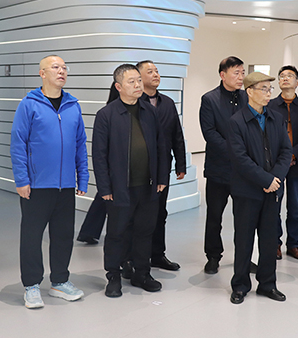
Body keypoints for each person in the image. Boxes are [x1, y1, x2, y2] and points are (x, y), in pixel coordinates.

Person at [10, 55, 89, 309]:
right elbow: (18, 143)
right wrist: (22, 179)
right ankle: (32, 285)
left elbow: (80, 144)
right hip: (36, 185)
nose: (61, 71)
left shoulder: (73, 105)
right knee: (32, 237)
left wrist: (82, 176)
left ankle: (60, 281)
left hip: (65, 185)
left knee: (63, 235)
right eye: (55, 67)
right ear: (42, 73)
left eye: (64, 67)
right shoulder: (29, 104)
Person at [92, 64, 169, 297]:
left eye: (138, 81)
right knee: (117, 233)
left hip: (148, 186)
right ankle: (113, 276)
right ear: (118, 86)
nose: (137, 85)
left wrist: (162, 177)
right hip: (119, 187)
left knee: (145, 231)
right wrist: (104, 187)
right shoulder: (106, 115)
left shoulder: (149, 111)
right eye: (131, 82)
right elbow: (99, 155)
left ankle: (141, 273)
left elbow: (161, 146)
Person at [227, 72, 293, 304]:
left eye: (269, 89)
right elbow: (240, 158)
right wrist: (265, 180)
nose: (268, 93)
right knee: (244, 241)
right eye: (263, 89)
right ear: (250, 91)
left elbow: (286, 151)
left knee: (269, 240)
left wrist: (275, 179)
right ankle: (240, 285)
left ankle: (267, 284)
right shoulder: (236, 122)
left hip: (273, 191)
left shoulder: (276, 118)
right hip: (247, 191)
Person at [137, 60, 187, 271]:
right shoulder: (134, 102)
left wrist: (181, 163)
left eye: (156, 71)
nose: (156, 74)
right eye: (150, 71)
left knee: (160, 212)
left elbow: (177, 134)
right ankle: (133, 258)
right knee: (139, 215)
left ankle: (157, 255)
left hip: (162, 168)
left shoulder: (167, 102)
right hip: (138, 169)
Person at [199, 56, 247, 274]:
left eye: (242, 73)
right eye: (236, 73)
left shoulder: (247, 97)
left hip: (244, 172)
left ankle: (243, 258)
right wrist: (236, 152)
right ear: (223, 75)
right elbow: (210, 133)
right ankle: (213, 256)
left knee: (244, 218)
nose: (240, 77)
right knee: (214, 217)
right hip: (218, 169)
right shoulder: (209, 99)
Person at [267, 65, 298, 261]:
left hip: (297, 164)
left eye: (289, 76)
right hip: (275, 165)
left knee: (295, 207)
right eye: (282, 76)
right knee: (274, 206)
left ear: (297, 82)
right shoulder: (269, 105)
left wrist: (293, 155)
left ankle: (293, 244)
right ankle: (275, 243)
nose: (285, 78)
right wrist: (282, 158)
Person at [76, 83, 120, 245]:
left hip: (112, 161)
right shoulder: (110, 113)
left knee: (103, 196)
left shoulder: (110, 111)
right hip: (114, 161)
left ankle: (88, 231)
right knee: (105, 196)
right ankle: (89, 231)